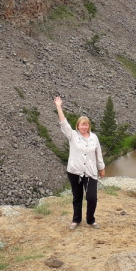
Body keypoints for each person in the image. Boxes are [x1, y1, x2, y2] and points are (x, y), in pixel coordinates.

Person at [54, 96, 105, 230]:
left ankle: (90, 219)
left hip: (90, 172)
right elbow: (64, 123)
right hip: (75, 171)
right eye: (82, 124)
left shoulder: (94, 137)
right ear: (78, 126)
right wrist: (59, 107)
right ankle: (76, 220)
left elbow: (98, 153)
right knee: (77, 197)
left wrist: (101, 168)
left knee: (92, 198)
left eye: (86, 124)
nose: (84, 126)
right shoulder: (72, 136)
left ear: (89, 126)